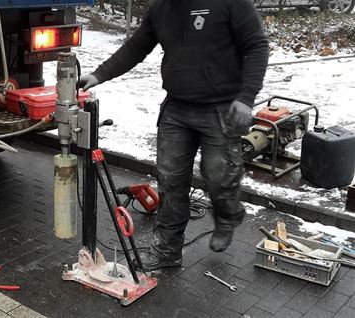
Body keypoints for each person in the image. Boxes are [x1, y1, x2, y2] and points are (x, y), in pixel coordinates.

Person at [79, 0, 269, 270]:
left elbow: (257, 47)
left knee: (219, 174)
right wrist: (100, 75)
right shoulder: (162, 8)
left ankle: (228, 216)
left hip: (221, 108)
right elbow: (136, 47)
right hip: (177, 108)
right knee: (170, 180)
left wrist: (246, 97)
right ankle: (167, 251)